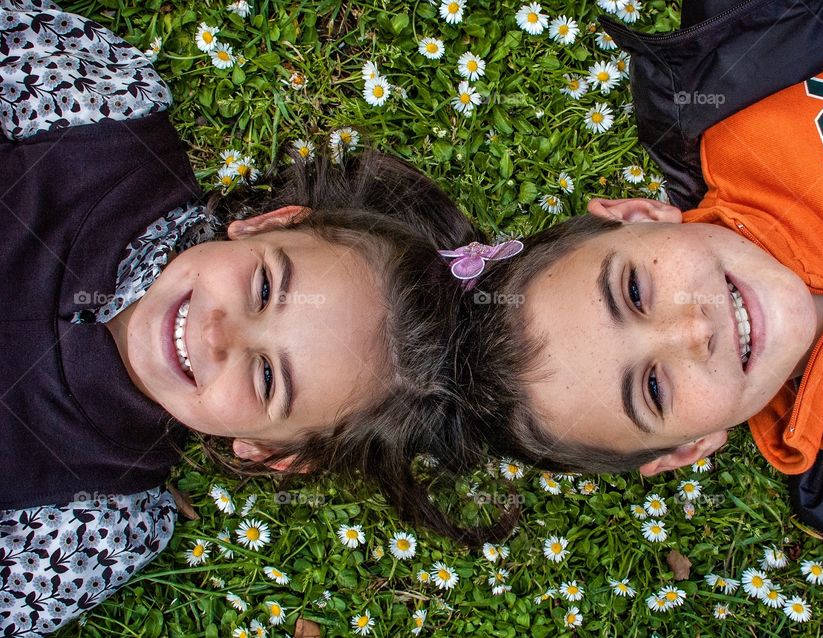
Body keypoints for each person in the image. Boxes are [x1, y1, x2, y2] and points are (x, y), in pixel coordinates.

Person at [0, 0, 490, 632]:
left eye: (267, 379)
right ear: (269, 223)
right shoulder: (106, 113)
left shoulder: (92, 524)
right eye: (264, 288)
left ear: (267, 451)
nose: (217, 333)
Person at [455, 0, 823, 591]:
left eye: (635, 291)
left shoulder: (758, 85)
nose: (693, 330)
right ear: (690, 448)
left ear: (641, 216)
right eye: (653, 386)